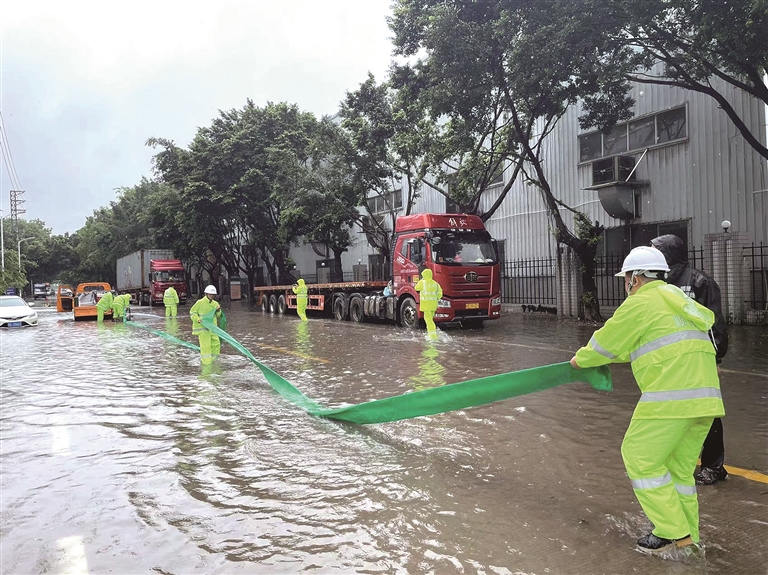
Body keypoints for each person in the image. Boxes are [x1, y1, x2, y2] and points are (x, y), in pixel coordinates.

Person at [570, 246, 723, 554]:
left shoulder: (640, 303)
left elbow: (604, 342)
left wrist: (579, 361)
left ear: (634, 279)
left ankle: (670, 533)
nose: (626, 284)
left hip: (671, 399)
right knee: (678, 471)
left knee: (638, 457)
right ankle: (689, 537)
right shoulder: (680, 301)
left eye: (626, 278)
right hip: (705, 401)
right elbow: (644, 345)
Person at [651, 234, 729, 485]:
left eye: (657, 250)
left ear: (668, 253)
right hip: (671, 360)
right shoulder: (657, 282)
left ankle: (714, 466)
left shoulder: (699, 281)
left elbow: (714, 321)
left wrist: (716, 359)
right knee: (676, 410)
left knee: (706, 411)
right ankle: (682, 460)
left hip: (698, 358)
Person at [190, 285, 222, 364]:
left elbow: (218, 316)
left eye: (213, 295)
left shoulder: (215, 304)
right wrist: (197, 319)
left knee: (216, 344)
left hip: (213, 329)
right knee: (206, 347)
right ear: (206, 294)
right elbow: (192, 312)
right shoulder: (200, 303)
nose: (212, 296)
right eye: (210, 294)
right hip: (203, 329)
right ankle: (206, 364)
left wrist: (218, 311)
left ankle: (214, 362)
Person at [414, 268, 443, 340]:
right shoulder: (435, 283)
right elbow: (440, 294)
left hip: (426, 305)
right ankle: (431, 333)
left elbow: (416, 288)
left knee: (428, 321)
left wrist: (421, 280)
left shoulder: (422, 282)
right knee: (430, 319)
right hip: (433, 305)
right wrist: (435, 299)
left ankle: (432, 336)